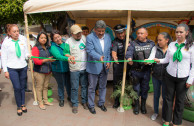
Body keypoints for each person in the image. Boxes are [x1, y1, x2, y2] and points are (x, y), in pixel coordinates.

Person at [154, 24, 194, 126]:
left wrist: (190, 80)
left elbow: (193, 65)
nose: (178, 34)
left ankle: (176, 122)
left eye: (181, 32)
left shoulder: (191, 46)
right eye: (177, 32)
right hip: (170, 75)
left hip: (183, 77)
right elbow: (167, 59)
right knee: (168, 99)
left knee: (180, 101)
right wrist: (158, 60)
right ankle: (167, 120)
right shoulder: (172, 45)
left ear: (186, 33)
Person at [125, 27, 155, 115]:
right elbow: (129, 52)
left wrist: (149, 62)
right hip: (136, 71)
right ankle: (137, 105)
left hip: (146, 71)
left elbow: (154, 55)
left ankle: (143, 105)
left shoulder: (151, 44)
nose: (139, 35)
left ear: (146, 34)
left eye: (142, 33)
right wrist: (129, 58)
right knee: (136, 89)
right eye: (138, 33)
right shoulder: (133, 43)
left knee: (145, 89)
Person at [1, 24, 29, 116]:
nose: (17, 33)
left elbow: (26, 51)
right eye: (14, 31)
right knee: (17, 87)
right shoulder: (6, 42)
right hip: (12, 68)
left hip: (23, 67)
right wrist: (5, 70)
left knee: (22, 87)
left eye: (17, 31)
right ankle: (18, 106)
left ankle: (23, 103)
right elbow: (4, 57)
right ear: (9, 33)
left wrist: (27, 55)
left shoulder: (23, 39)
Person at [86, 20, 112, 114]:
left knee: (103, 86)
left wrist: (108, 61)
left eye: (103, 31)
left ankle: (101, 103)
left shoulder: (108, 37)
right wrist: (99, 57)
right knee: (92, 87)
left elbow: (108, 51)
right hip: (93, 66)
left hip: (105, 67)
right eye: (99, 31)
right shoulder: (89, 37)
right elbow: (90, 50)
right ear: (95, 29)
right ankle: (91, 105)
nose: (101, 33)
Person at [147, 32, 172, 120]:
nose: (158, 42)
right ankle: (156, 112)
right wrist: (148, 61)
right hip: (156, 76)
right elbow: (151, 58)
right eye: (158, 40)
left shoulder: (171, 49)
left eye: (160, 40)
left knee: (165, 96)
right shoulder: (155, 48)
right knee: (156, 95)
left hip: (167, 77)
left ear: (167, 40)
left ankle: (165, 115)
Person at [64, 24, 88, 114]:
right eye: (77, 33)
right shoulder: (68, 42)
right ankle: (74, 104)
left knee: (84, 86)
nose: (79, 35)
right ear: (72, 34)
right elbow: (65, 52)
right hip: (74, 69)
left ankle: (84, 101)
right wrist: (70, 56)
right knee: (74, 87)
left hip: (84, 68)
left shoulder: (84, 38)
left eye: (80, 33)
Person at [32, 32, 55, 110]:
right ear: (38, 39)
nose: (44, 39)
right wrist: (48, 59)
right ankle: (40, 103)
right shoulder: (35, 48)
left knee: (45, 87)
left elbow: (48, 58)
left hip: (48, 71)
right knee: (39, 88)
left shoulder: (47, 47)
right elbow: (36, 61)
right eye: (42, 38)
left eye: (45, 38)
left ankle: (45, 101)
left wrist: (50, 60)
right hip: (39, 71)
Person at [50, 30, 71, 107]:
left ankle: (70, 97)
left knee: (68, 84)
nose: (58, 39)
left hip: (67, 68)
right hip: (58, 69)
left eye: (58, 36)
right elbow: (58, 56)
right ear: (53, 40)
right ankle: (61, 99)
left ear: (61, 36)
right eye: (55, 38)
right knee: (61, 84)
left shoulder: (65, 44)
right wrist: (67, 58)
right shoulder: (53, 47)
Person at [112, 24, 131, 108]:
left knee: (129, 83)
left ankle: (128, 99)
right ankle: (116, 101)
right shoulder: (115, 41)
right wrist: (114, 57)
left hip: (129, 64)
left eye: (122, 33)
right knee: (117, 83)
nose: (120, 35)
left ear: (125, 31)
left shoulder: (130, 39)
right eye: (118, 33)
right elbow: (114, 51)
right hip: (118, 65)